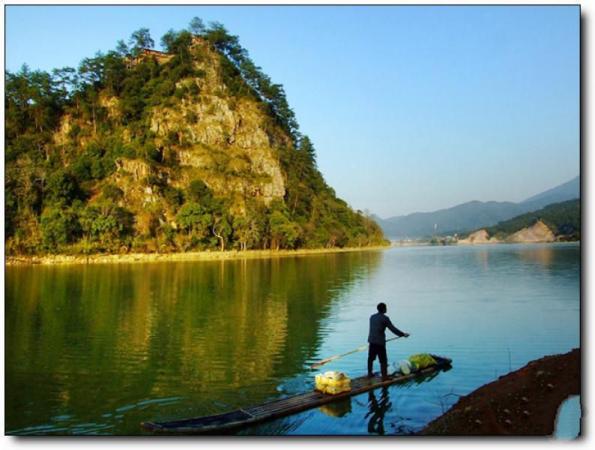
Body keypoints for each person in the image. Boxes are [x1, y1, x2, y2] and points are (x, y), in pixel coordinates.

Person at [368, 302, 409, 378]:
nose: (386, 309)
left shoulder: (372, 317)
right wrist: (403, 334)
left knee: (371, 358)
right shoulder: (385, 318)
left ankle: (369, 374)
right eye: (386, 308)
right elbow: (393, 329)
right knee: (383, 360)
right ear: (383, 309)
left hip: (371, 341)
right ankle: (384, 377)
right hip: (380, 342)